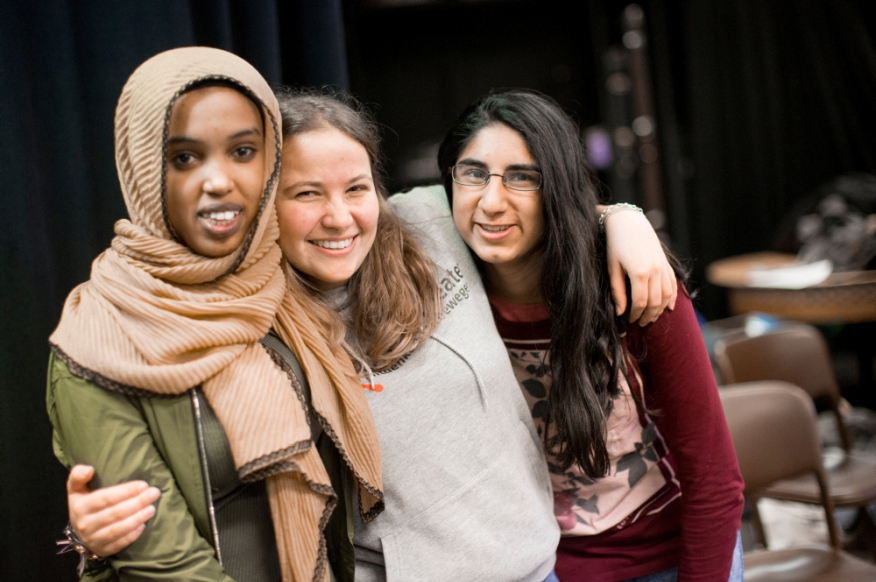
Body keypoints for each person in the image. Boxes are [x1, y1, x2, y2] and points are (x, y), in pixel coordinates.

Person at [61, 88, 678, 580]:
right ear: (264, 204)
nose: (339, 216)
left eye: (356, 188)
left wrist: (621, 219)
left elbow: (525, 203)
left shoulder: (429, 222)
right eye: (306, 193)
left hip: (538, 568)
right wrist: (93, 530)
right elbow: (202, 460)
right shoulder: (254, 314)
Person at [47, 47, 384, 582]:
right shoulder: (96, 336)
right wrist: (86, 540)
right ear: (141, 166)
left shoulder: (278, 283)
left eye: (244, 151)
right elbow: (166, 560)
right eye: (184, 157)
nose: (219, 181)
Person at [436, 90, 745, 581]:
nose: (491, 202)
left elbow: (715, 483)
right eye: (473, 173)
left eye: (522, 177)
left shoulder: (634, 284)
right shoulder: (444, 296)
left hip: (670, 553)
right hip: (541, 566)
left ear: (557, 188)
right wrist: (620, 211)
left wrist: (620, 214)